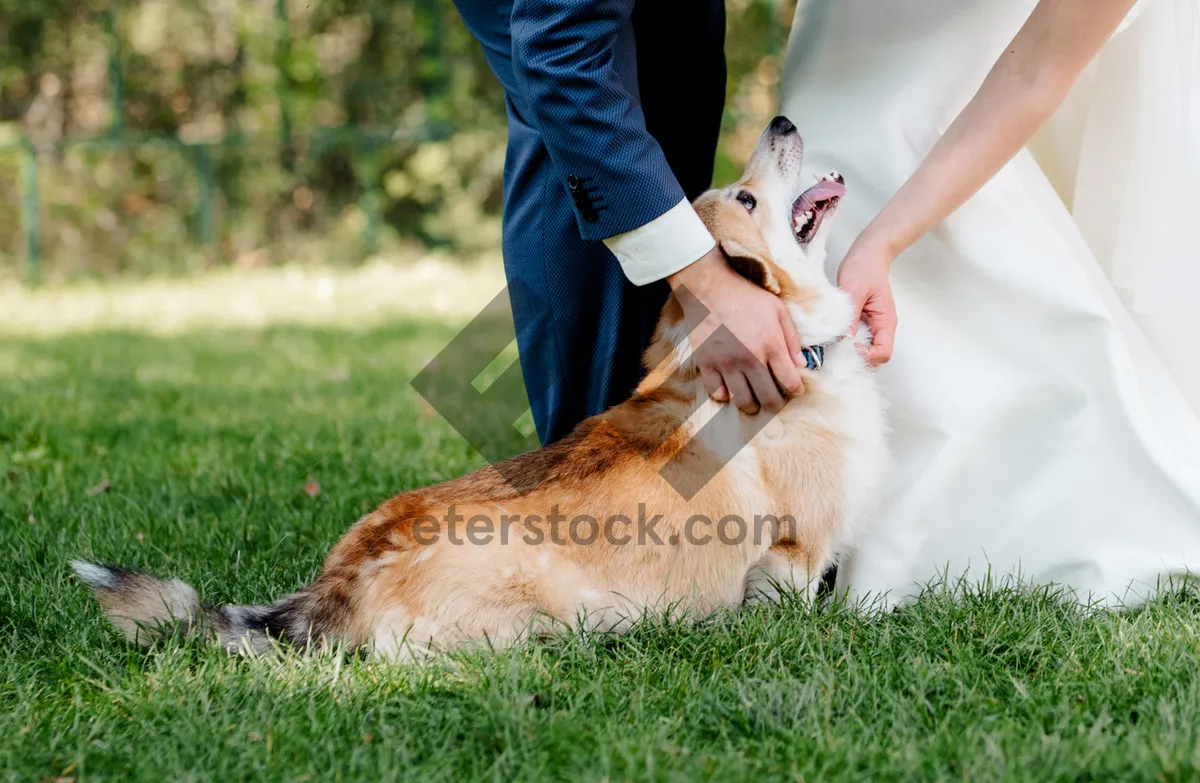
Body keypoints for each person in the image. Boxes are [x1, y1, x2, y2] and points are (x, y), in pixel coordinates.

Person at [779, 0, 1200, 606]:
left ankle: (933, 509)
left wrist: (883, 241)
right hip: (836, 53)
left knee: (897, 169)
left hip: (961, 95)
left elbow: (1037, 69)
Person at [451, 0, 810, 446]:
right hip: (565, 24)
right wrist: (706, 285)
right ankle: (596, 477)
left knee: (672, 93)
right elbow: (561, 51)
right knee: (576, 132)